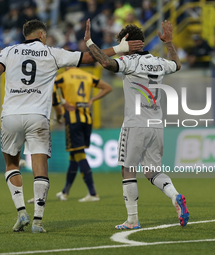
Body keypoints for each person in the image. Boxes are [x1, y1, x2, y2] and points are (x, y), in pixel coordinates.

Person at [0, 19, 143, 233]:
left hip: (11, 115)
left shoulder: (8, 51)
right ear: (41, 35)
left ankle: (21, 212)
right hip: (38, 116)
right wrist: (120, 48)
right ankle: (38, 221)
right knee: (40, 168)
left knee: (12, 164)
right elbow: (88, 57)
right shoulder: (52, 53)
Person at [83, 19, 189, 229]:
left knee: (128, 169)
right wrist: (168, 43)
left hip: (135, 124)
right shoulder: (159, 62)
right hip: (156, 125)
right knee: (151, 171)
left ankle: (132, 220)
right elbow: (177, 65)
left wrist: (89, 43)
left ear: (126, 42)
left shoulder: (130, 62)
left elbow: (106, 62)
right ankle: (175, 195)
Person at [55, 67, 112, 202]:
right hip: (87, 118)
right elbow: (108, 87)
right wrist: (92, 99)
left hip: (73, 118)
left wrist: (63, 102)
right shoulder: (87, 75)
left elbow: (48, 88)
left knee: (79, 154)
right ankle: (65, 192)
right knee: (74, 155)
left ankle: (92, 193)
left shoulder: (64, 76)